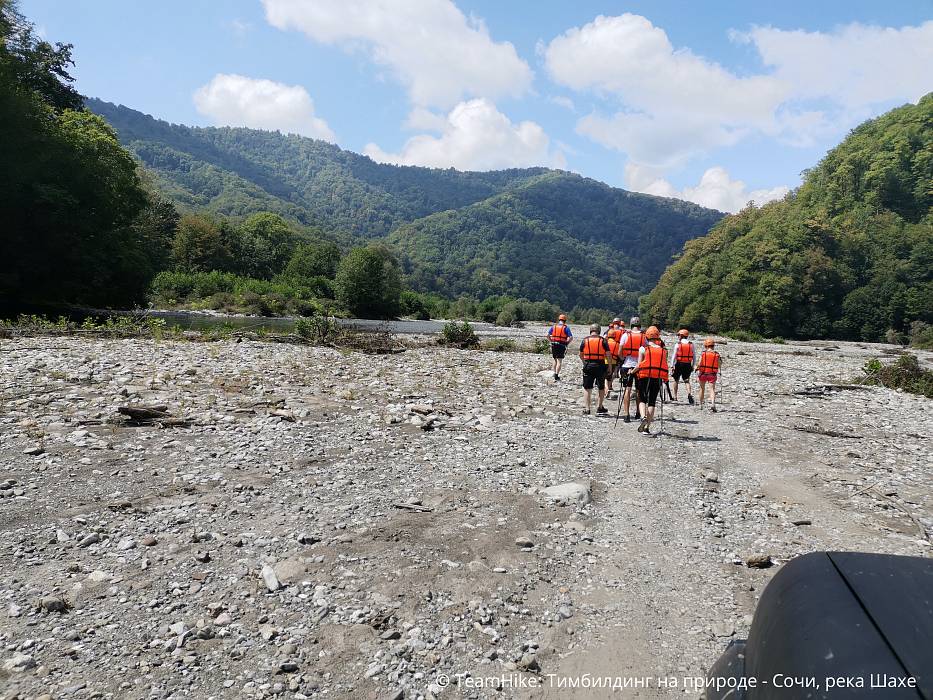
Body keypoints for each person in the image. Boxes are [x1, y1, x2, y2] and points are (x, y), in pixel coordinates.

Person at [634, 326, 668, 435]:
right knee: (652, 401)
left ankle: (643, 416)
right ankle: (647, 427)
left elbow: (639, 365)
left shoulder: (643, 349)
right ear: (658, 337)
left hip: (644, 377)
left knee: (642, 399)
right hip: (657, 377)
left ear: (647, 336)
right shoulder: (663, 351)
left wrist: (632, 372)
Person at [617, 316, 645, 422]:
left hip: (626, 365)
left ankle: (626, 414)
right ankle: (638, 412)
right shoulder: (644, 336)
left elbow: (619, 352)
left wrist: (623, 359)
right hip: (639, 366)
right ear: (639, 325)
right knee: (638, 390)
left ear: (631, 325)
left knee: (627, 390)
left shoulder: (625, 335)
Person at [579, 324, 610, 415]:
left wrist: (584, 363)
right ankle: (599, 407)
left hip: (588, 365)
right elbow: (608, 355)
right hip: (600, 366)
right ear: (599, 331)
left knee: (587, 387)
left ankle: (587, 408)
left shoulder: (585, 340)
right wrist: (610, 367)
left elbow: (580, 354)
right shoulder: (603, 341)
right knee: (601, 387)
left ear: (590, 330)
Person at [671, 328, 696, 404]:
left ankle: (675, 397)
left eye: (678, 335)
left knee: (676, 380)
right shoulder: (691, 345)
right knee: (686, 380)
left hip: (679, 364)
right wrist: (693, 365)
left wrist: (672, 365)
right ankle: (689, 393)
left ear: (681, 336)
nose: (678, 336)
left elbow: (674, 356)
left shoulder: (677, 344)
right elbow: (694, 356)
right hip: (688, 364)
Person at [697, 338, 722, 412]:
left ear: (706, 346)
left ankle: (701, 404)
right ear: (713, 345)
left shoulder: (703, 353)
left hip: (703, 373)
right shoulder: (716, 354)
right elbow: (719, 365)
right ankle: (713, 404)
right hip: (712, 374)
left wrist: (697, 368)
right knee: (712, 389)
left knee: (702, 388)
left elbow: (699, 364)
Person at [547, 314, 573, 380]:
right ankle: (556, 375)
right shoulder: (566, 328)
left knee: (555, 360)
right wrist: (567, 343)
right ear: (565, 320)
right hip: (561, 345)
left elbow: (547, 335)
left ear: (559, 320)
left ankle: (553, 373)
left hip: (553, 344)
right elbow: (571, 337)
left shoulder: (554, 327)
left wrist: (551, 341)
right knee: (559, 361)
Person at [604, 319, 625, 396]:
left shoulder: (607, 337)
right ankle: (609, 386)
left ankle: (607, 388)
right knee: (613, 373)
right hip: (616, 356)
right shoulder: (623, 332)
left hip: (606, 359)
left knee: (606, 376)